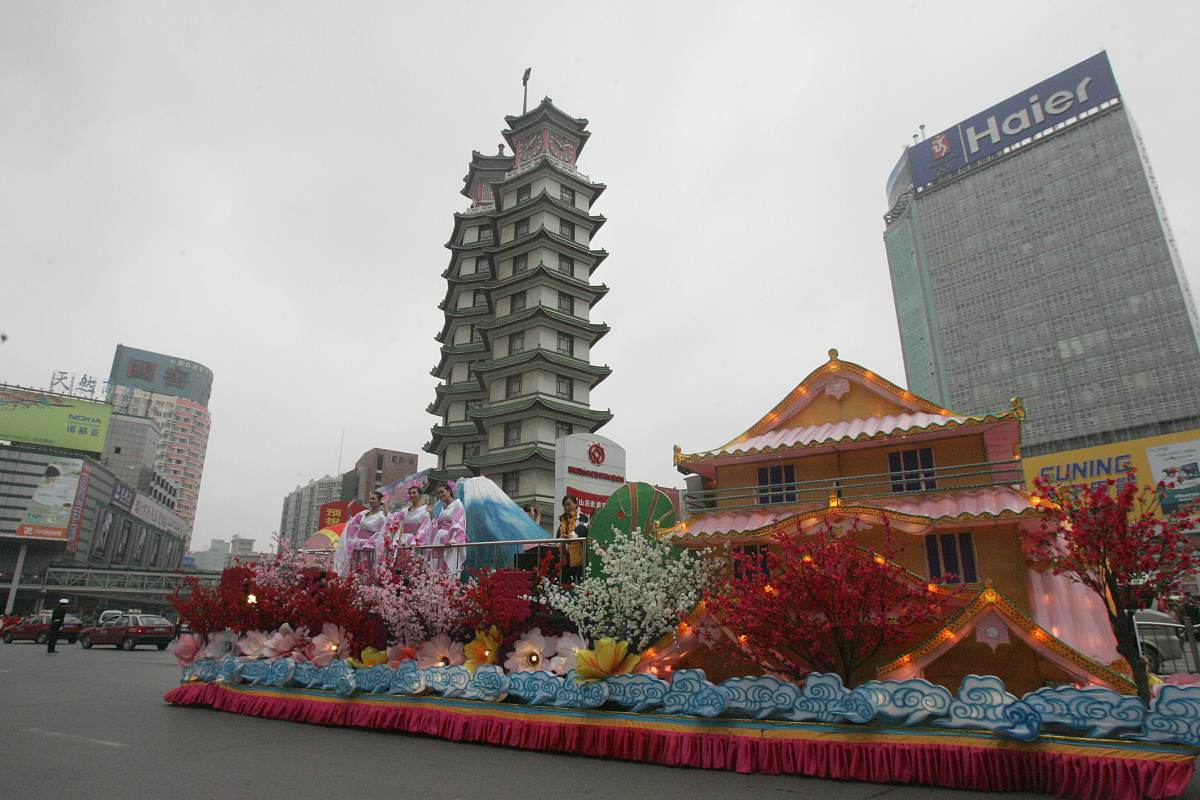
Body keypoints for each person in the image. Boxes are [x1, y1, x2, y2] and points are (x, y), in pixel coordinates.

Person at [333, 491, 389, 576]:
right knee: (354, 569)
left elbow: (383, 530)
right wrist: (349, 509)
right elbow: (351, 524)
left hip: (368, 547)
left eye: (373, 499)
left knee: (364, 570)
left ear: (379, 501)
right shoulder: (363, 513)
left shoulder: (381, 517)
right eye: (370, 499)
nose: (370, 501)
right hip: (356, 545)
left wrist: (370, 543)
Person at [430, 481, 467, 575]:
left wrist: (454, 539)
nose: (440, 495)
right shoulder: (444, 509)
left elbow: (459, 522)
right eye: (438, 493)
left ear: (449, 491)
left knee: (448, 567)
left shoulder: (458, 504)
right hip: (439, 539)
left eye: (442, 491)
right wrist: (431, 516)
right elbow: (437, 525)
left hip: (450, 539)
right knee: (438, 566)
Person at [390, 481, 432, 556]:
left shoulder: (424, 511)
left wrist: (415, 540)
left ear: (420, 495)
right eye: (410, 493)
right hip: (403, 541)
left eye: (414, 493)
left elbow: (424, 529)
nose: (411, 495)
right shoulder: (404, 511)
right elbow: (392, 520)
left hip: (415, 542)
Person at [557, 495, 589, 583]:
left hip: (580, 558)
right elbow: (558, 537)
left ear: (576, 504)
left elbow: (581, 529)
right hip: (565, 558)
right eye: (564, 506)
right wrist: (560, 540)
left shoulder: (583, 517)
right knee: (566, 585)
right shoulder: (563, 520)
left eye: (569, 504)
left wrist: (570, 537)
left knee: (580, 583)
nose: (566, 507)